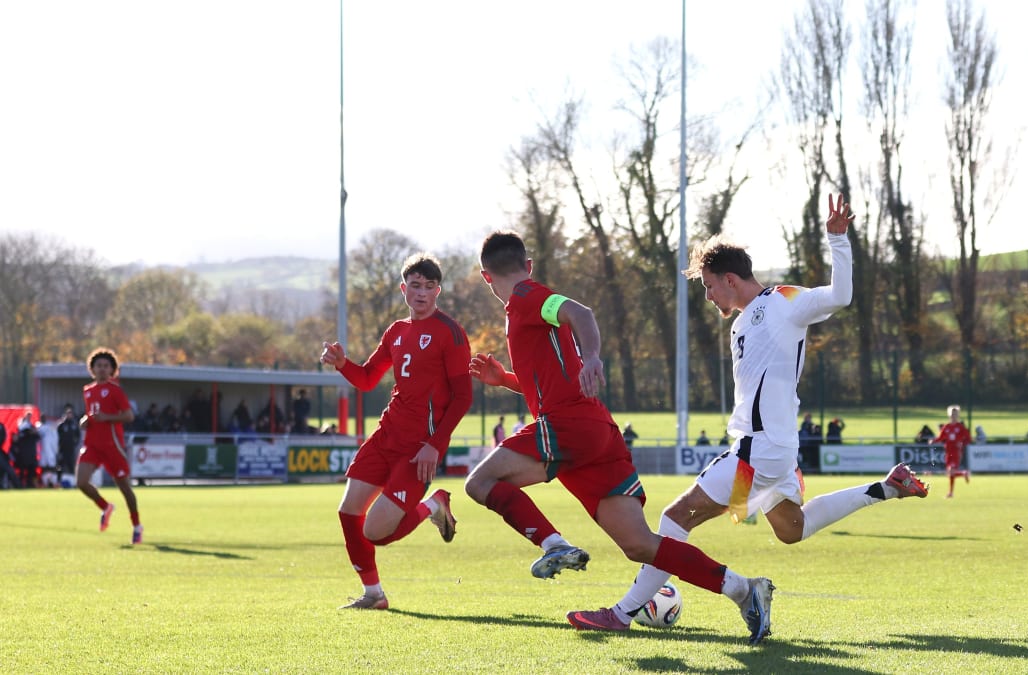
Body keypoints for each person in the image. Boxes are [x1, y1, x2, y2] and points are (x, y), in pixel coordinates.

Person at [562, 195, 928, 640]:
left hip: (757, 452)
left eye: (709, 286)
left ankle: (624, 613)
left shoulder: (782, 301)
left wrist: (838, 241)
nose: (709, 295)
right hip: (771, 450)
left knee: (677, 517)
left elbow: (841, 296)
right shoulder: (742, 322)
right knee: (792, 529)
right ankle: (885, 488)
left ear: (730, 279)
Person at [465, 230, 775, 644]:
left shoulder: (528, 296)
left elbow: (582, 313)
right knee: (640, 544)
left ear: (486, 277)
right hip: (594, 432)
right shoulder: (526, 307)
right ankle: (743, 589)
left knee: (479, 483)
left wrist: (592, 355)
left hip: (569, 426)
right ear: (529, 262)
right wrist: (504, 379)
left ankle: (554, 544)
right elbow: (549, 381)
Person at [320, 253, 472, 610]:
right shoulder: (396, 331)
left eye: (429, 286)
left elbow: (463, 397)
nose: (422, 293)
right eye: (415, 286)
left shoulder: (449, 332)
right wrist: (343, 365)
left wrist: (435, 445)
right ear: (404, 289)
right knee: (348, 512)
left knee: (376, 532)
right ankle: (374, 594)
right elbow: (369, 378)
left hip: (418, 448)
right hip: (386, 437)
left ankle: (434, 505)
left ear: (438, 290)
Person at [77, 348, 143, 544]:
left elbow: (129, 415)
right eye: (99, 366)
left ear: (112, 369)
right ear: (92, 369)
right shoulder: (88, 391)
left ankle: (137, 525)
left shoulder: (115, 391)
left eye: (106, 366)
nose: (102, 369)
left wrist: (108, 418)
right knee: (81, 482)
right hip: (92, 444)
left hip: (113, 446)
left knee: (124, 488)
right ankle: (105, 507)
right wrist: (84, 421)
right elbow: (90, 414)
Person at [931, 405, 971, 498]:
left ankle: (964, 473)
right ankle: (951, 492)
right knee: (950, 473)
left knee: (951, 472)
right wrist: (933, 441)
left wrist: (961, 444)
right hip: (948, 452)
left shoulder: (960, 427)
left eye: (955, 414)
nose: (954, 416)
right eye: (952, 414)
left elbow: (968, 439)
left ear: (958, 415)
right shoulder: (946, 427)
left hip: (956, 452)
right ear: (949, 415)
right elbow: (941, 437)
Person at [13, 413, 41, 488]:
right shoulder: (21, 430)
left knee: (31, 472)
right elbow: (16, 440)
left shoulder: (32, 429)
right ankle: (20, 485)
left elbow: (38, 437)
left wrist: (33, 432)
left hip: (31, 455)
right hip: (23, 455)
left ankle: (30, 485)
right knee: (22, 473)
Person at [56, 404, 81, 487]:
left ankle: (74, 482)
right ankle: (58, 482)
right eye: (68, 413)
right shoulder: (61, 425)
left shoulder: (74, 425)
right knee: (60, 466)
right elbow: (57, 436)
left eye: (70, 414)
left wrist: (75, 443)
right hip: (62, 449)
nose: (69, 415)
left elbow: (78, 436)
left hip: (71, 449)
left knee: (71, 466)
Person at [38, 414, 60, 487]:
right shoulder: (38, 428)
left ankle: (53, 482)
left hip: (51, 451)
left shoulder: (50, 428)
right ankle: (45, 482)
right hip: (42, 452)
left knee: (52, 467)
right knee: (44, 467)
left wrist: (55, 450)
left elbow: (55, 439)